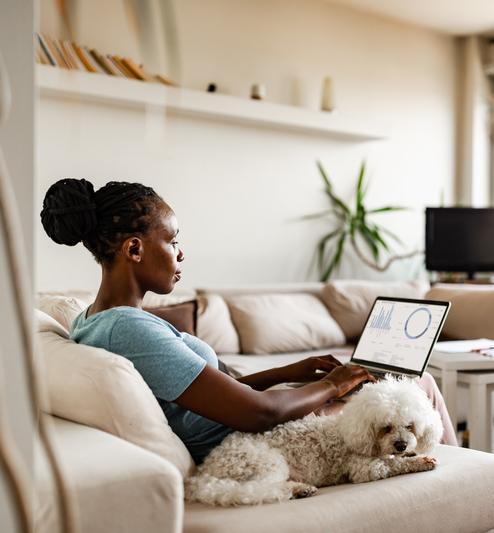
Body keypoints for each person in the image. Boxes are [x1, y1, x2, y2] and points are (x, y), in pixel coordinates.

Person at [40, 178, 457, 465]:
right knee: (416, 384)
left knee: (389, 382)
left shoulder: (91, 320)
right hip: (252, 440)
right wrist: (333, 384)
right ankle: (474, 497)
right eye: (172, 240)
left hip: (241, 426)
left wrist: (289, 372)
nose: (180, 254)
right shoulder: (128, 329)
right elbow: (256, 414)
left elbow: (211, 394)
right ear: (134, 249)